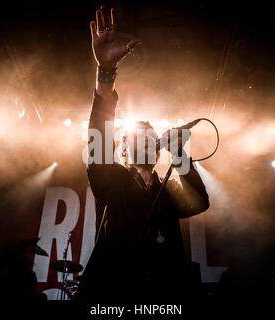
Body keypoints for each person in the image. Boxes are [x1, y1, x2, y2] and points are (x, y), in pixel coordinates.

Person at [75, 6, 210, 303]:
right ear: (122, 150)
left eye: (150, 135)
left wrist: (179, 154)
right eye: (137, 136)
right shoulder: (112, 182)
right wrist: (106, 73)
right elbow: (97, 141)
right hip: (112, 297)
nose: (146, 139)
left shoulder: (167, 193)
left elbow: (199, 201)